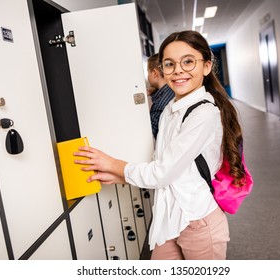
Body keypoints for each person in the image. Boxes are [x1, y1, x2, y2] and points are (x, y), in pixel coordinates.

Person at [74, 30, 244, 260]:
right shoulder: (171, 110)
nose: (178, 70)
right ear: (162, 70)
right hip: (170, 219)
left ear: (206, 66)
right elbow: (166, 167)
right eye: (169, 64)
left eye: (188, 61)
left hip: (198, 221)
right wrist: (121, 177)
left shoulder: (203, 113)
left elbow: (162, 173)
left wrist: (114, 165)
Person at [146, 53, 175, 139]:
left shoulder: (158, 106)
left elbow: (152, 137)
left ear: (155, 73)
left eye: (148, 72)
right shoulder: (174, 91)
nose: (147, 76)